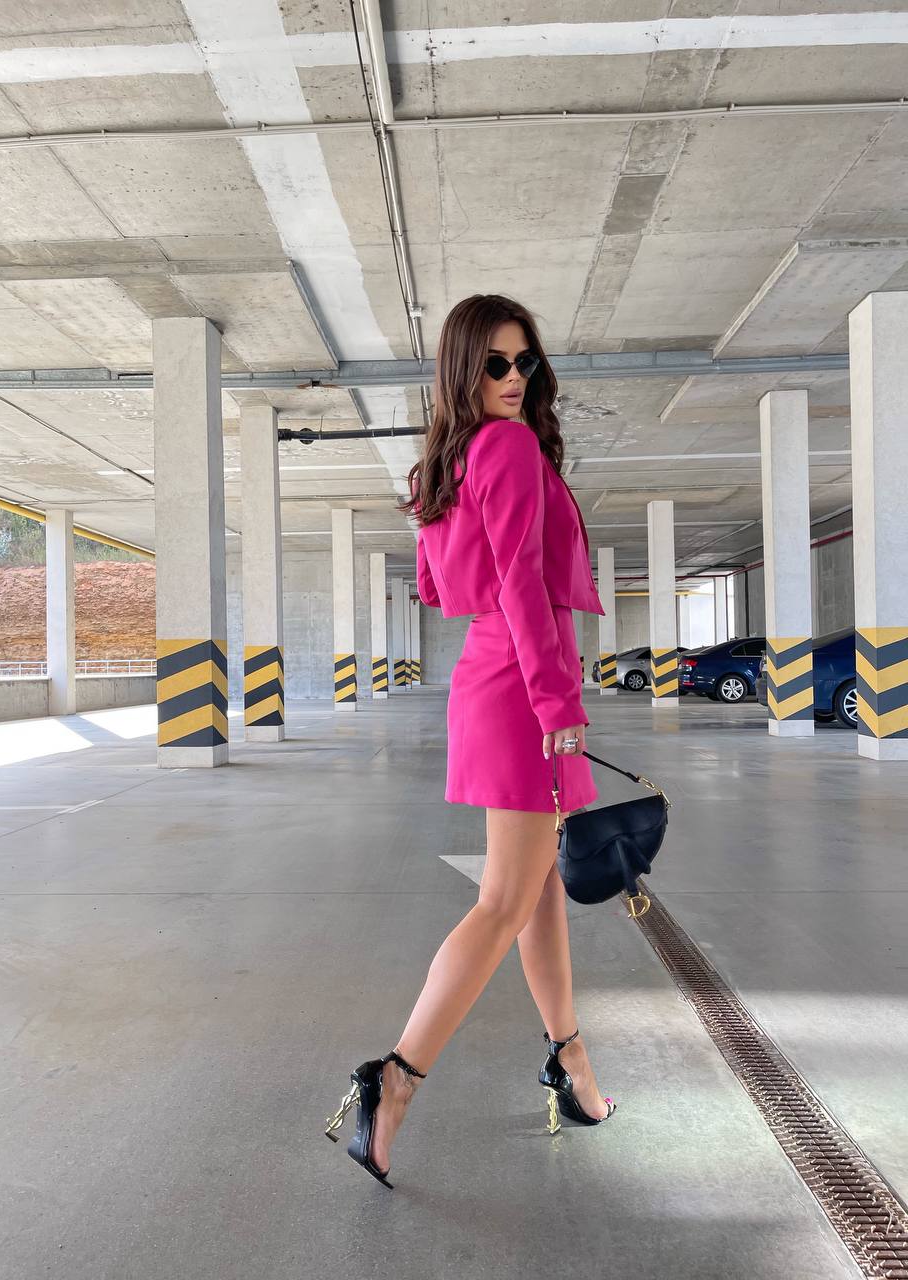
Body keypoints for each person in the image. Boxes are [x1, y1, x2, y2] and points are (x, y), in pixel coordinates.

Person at [323, 293, 613, 1188]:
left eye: (524, 360)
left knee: (537, 893)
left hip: (490, 675)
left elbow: (446, 589)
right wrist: (557, 697)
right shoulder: (511, 448)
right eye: (494, 364)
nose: (515, 377)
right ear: (461, 371)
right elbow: (523, 582)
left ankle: (572, 1064)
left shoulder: (442, 468)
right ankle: (394, 1082)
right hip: (525, 683)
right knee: (503, 902)